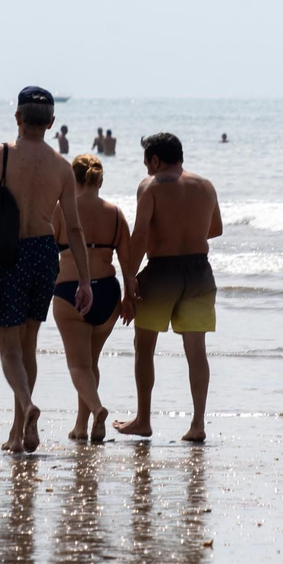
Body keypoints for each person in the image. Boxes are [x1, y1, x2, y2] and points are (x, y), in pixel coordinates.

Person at [0, 87, 91, 454]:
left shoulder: (0, 155)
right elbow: (75, 227)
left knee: (9, 350)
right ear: (51, 123)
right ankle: (21, 433)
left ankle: (28, 408)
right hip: (43, 254)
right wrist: (84, 280)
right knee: (29, 343)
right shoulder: (62, 168)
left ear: (18, 119)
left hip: (7, 255)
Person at [115, 132, 221, 443]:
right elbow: (215, 229)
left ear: (156, 160)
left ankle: (144, 420)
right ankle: (198, 423)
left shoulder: (150, 186)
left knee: (144, 347)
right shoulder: (206, 185)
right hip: (200, 272)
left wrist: (129, 281)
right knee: (196, 352)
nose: (146, 168)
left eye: (147, 162)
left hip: (162, 273)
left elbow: (140, 236)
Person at [52, 154, 130, 443]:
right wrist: (130, 298)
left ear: (73, 179)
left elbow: (46, 253)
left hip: (71, 291)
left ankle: (97, 409)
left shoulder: (60, 211)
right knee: (91, 363)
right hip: (109, 293)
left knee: (78, 365)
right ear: (99, 180)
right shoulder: (115, 213)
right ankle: (81, 426)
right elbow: (128, 262)